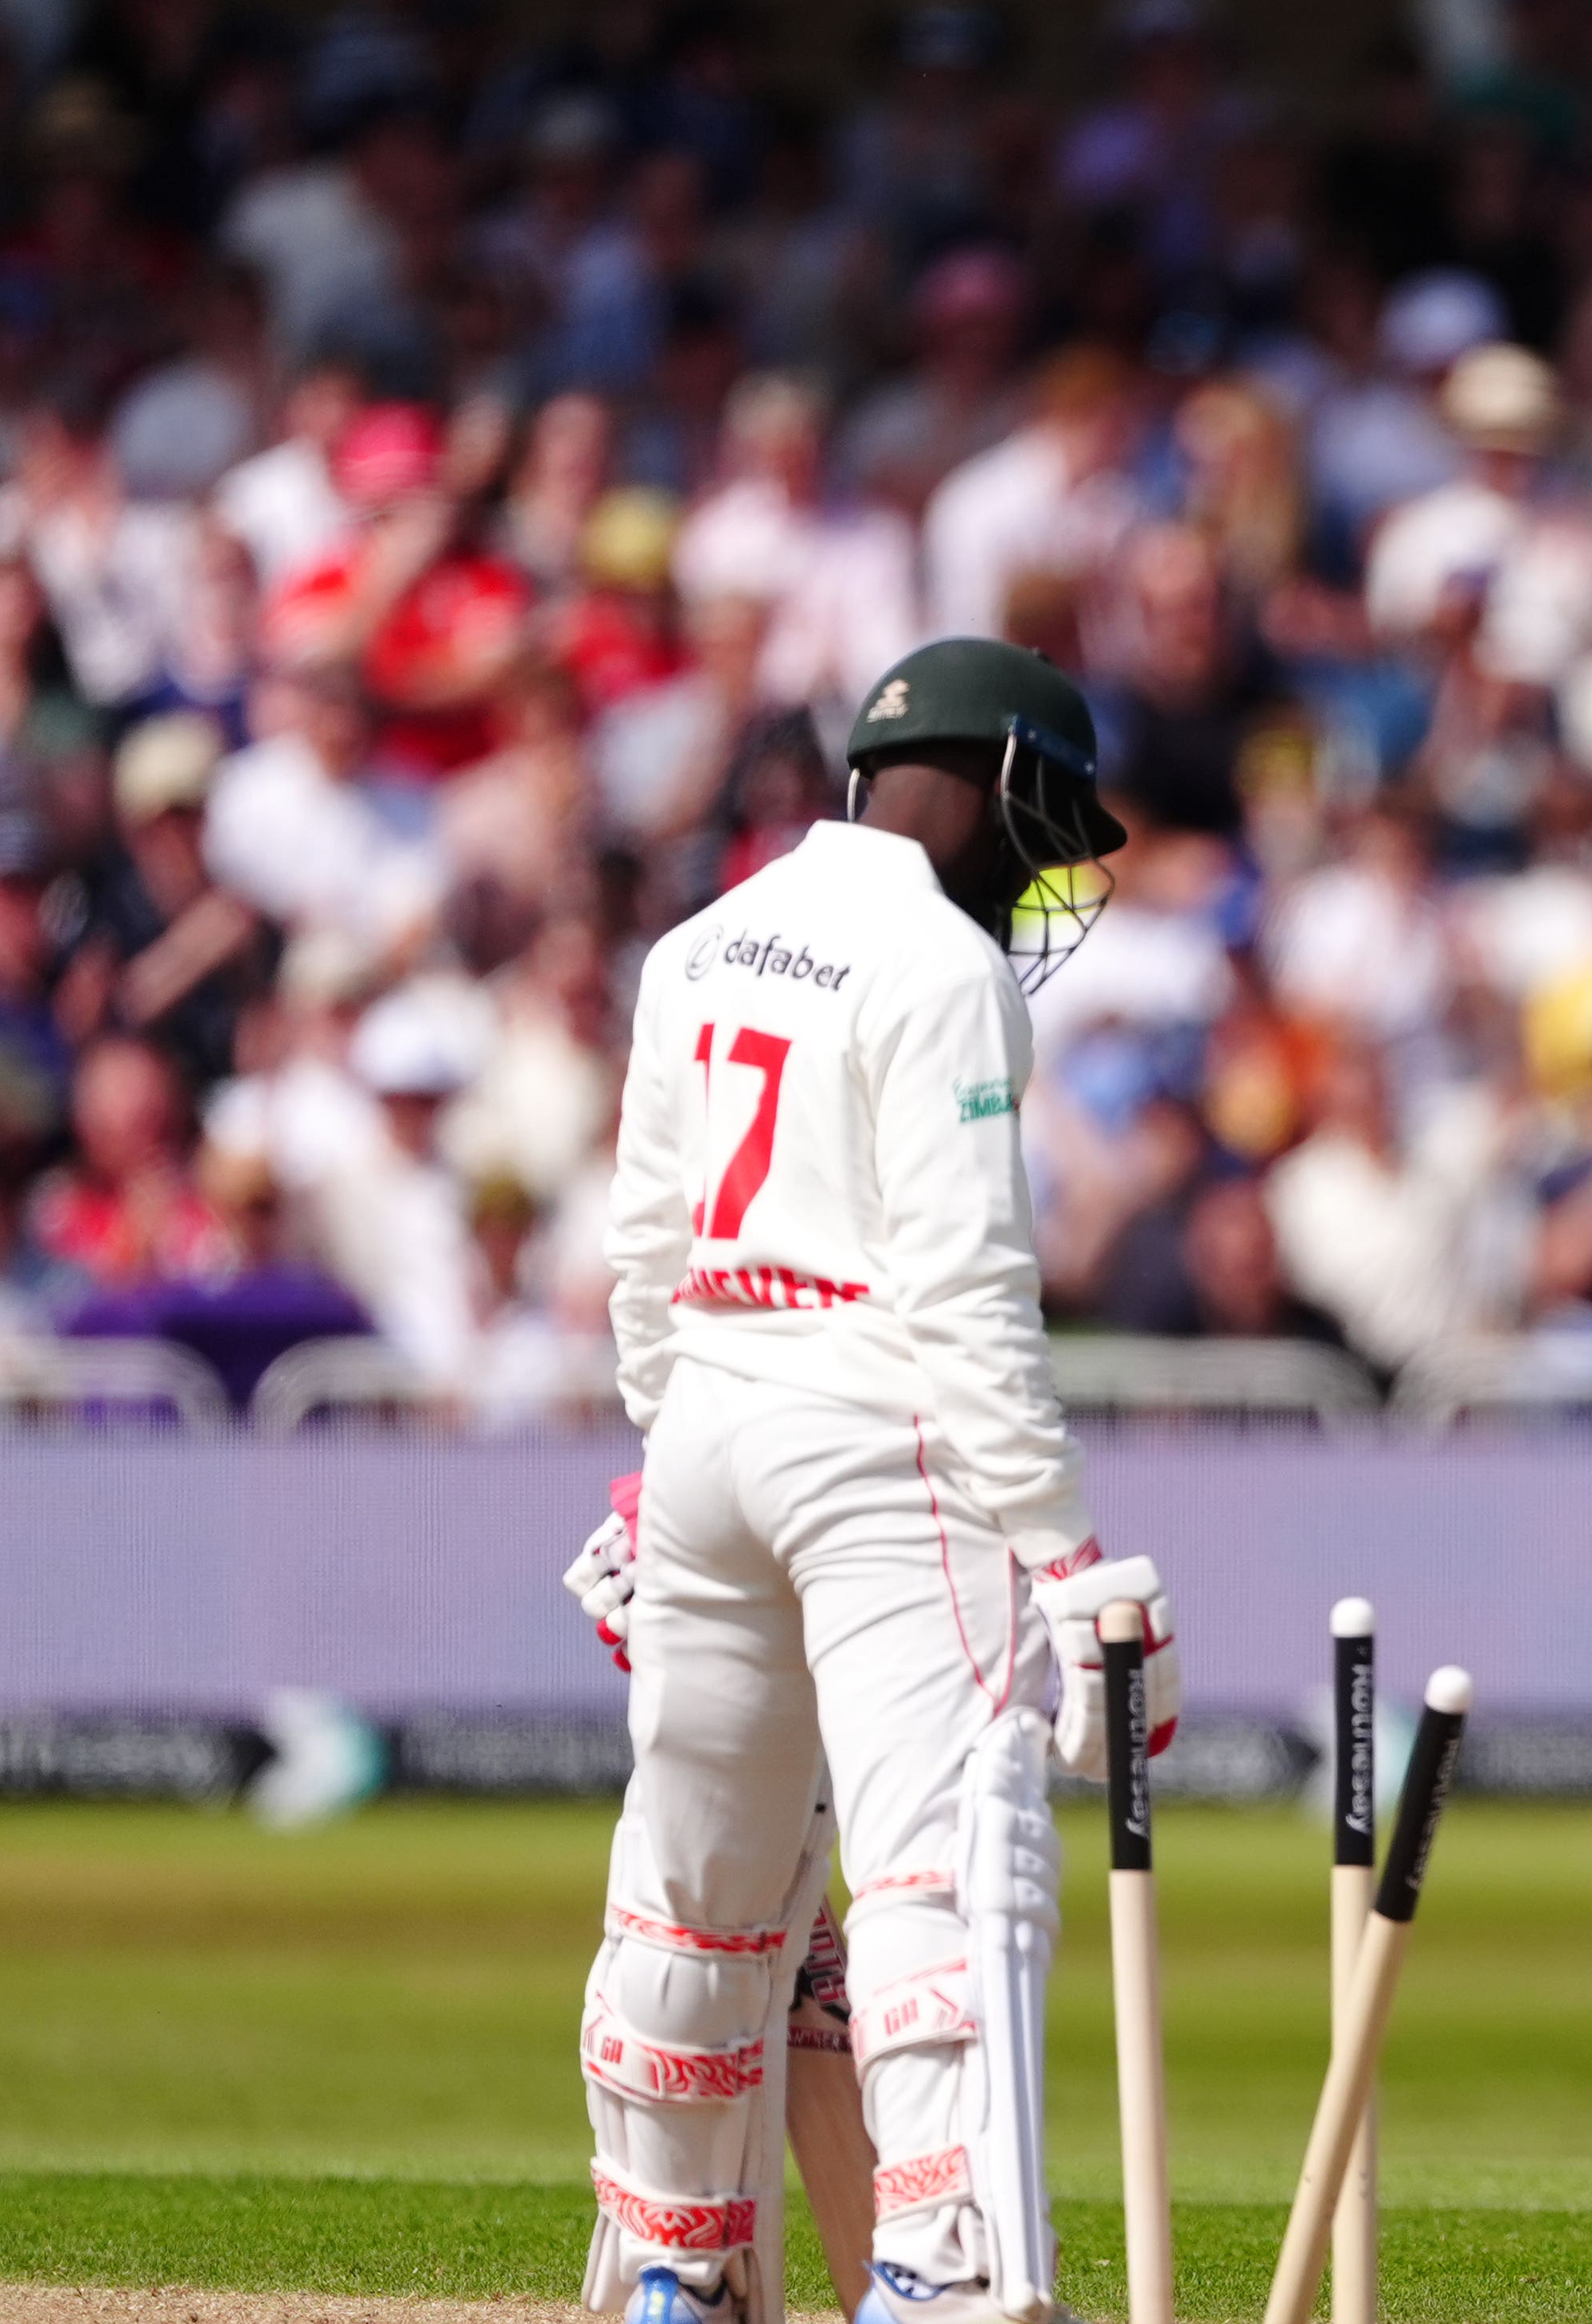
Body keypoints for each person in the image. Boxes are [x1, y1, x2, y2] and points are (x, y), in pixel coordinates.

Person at [572, 635, 1180, 2324]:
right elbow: (973, 1298)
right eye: (1047, 830)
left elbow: (643, 1248)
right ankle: (938, 2266)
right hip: (876, 1433)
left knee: (698, 1885)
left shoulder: (698, 944)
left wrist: (659, 1462)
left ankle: (674, 2274)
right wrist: (1067, 1562)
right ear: (997, 783)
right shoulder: (936, 963)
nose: (1047, 875)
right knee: (943, 1874)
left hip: (708, 1418)